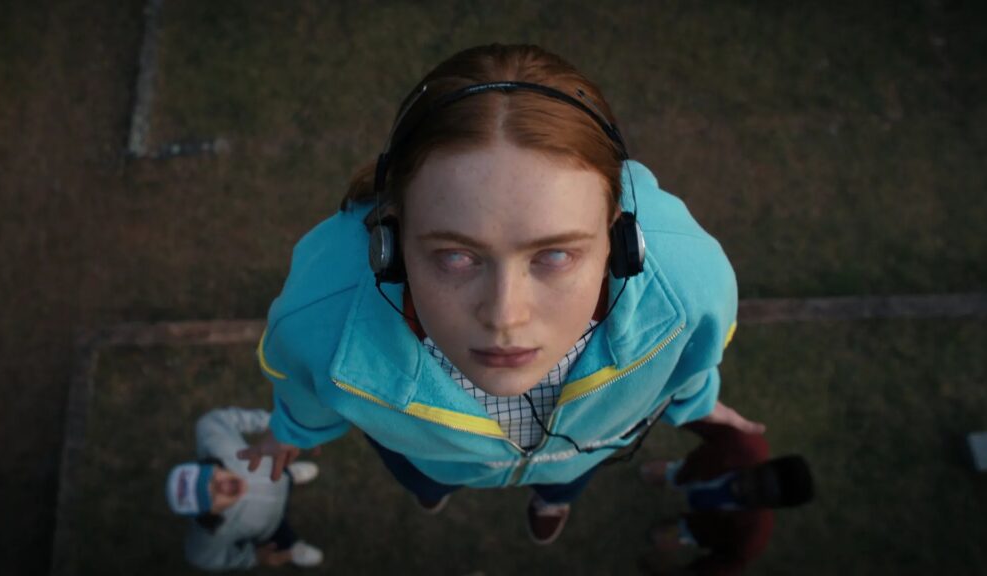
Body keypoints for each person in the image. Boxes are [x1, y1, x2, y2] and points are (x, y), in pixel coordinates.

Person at [239, 43, 763, 545]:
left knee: (563, 481)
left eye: (554, 255)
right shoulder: (319, 324)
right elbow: (304, 387)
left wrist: (698, 402)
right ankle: (434, 488)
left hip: (574, 458)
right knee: (427, 479)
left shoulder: (691, 292)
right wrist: (290, 431)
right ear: (391, 244)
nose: (505, 316)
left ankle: (552, 499)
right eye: (455, 256)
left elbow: (692, 359)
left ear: (619, 239)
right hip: (429, 457)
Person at [638, 422, 814, 575]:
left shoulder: (753, 535)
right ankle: (670, 474)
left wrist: (675, 572)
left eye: (761, 494)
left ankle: (680, 529)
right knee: (653, 473)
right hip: (689, 472)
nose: (748, 487)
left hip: (697, 526)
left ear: (770, 505)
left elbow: (724, 567)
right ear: (762, 465)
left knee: (660, 537)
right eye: (757, 476)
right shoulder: (743, 442)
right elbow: (697, 415)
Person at [166, 407, 324, 570]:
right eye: (212, 497)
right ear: (208, 516)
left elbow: (211, 421)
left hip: (274, 473)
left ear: (211, 466)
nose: (221, 486)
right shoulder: (213, 534)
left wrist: (279, 424)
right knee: (281, 540)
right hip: (273, 526)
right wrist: (253, 558)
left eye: (211, 477)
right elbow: (200, 557)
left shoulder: (218, 444)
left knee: (281, 474)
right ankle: (293, 549)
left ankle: (290, 475)